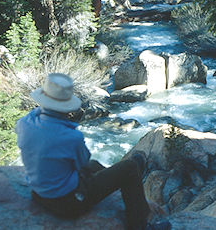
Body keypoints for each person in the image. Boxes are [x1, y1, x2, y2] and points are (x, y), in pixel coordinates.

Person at [15, 73, 170, 230]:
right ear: (66, 107)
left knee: (94, 164)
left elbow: (41, 124)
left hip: (39, 194)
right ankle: (140, 225)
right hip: (69, 203)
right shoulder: (70, 136)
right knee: (129, 167)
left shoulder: (24, 124)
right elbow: (81, 162)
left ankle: (126, 194)